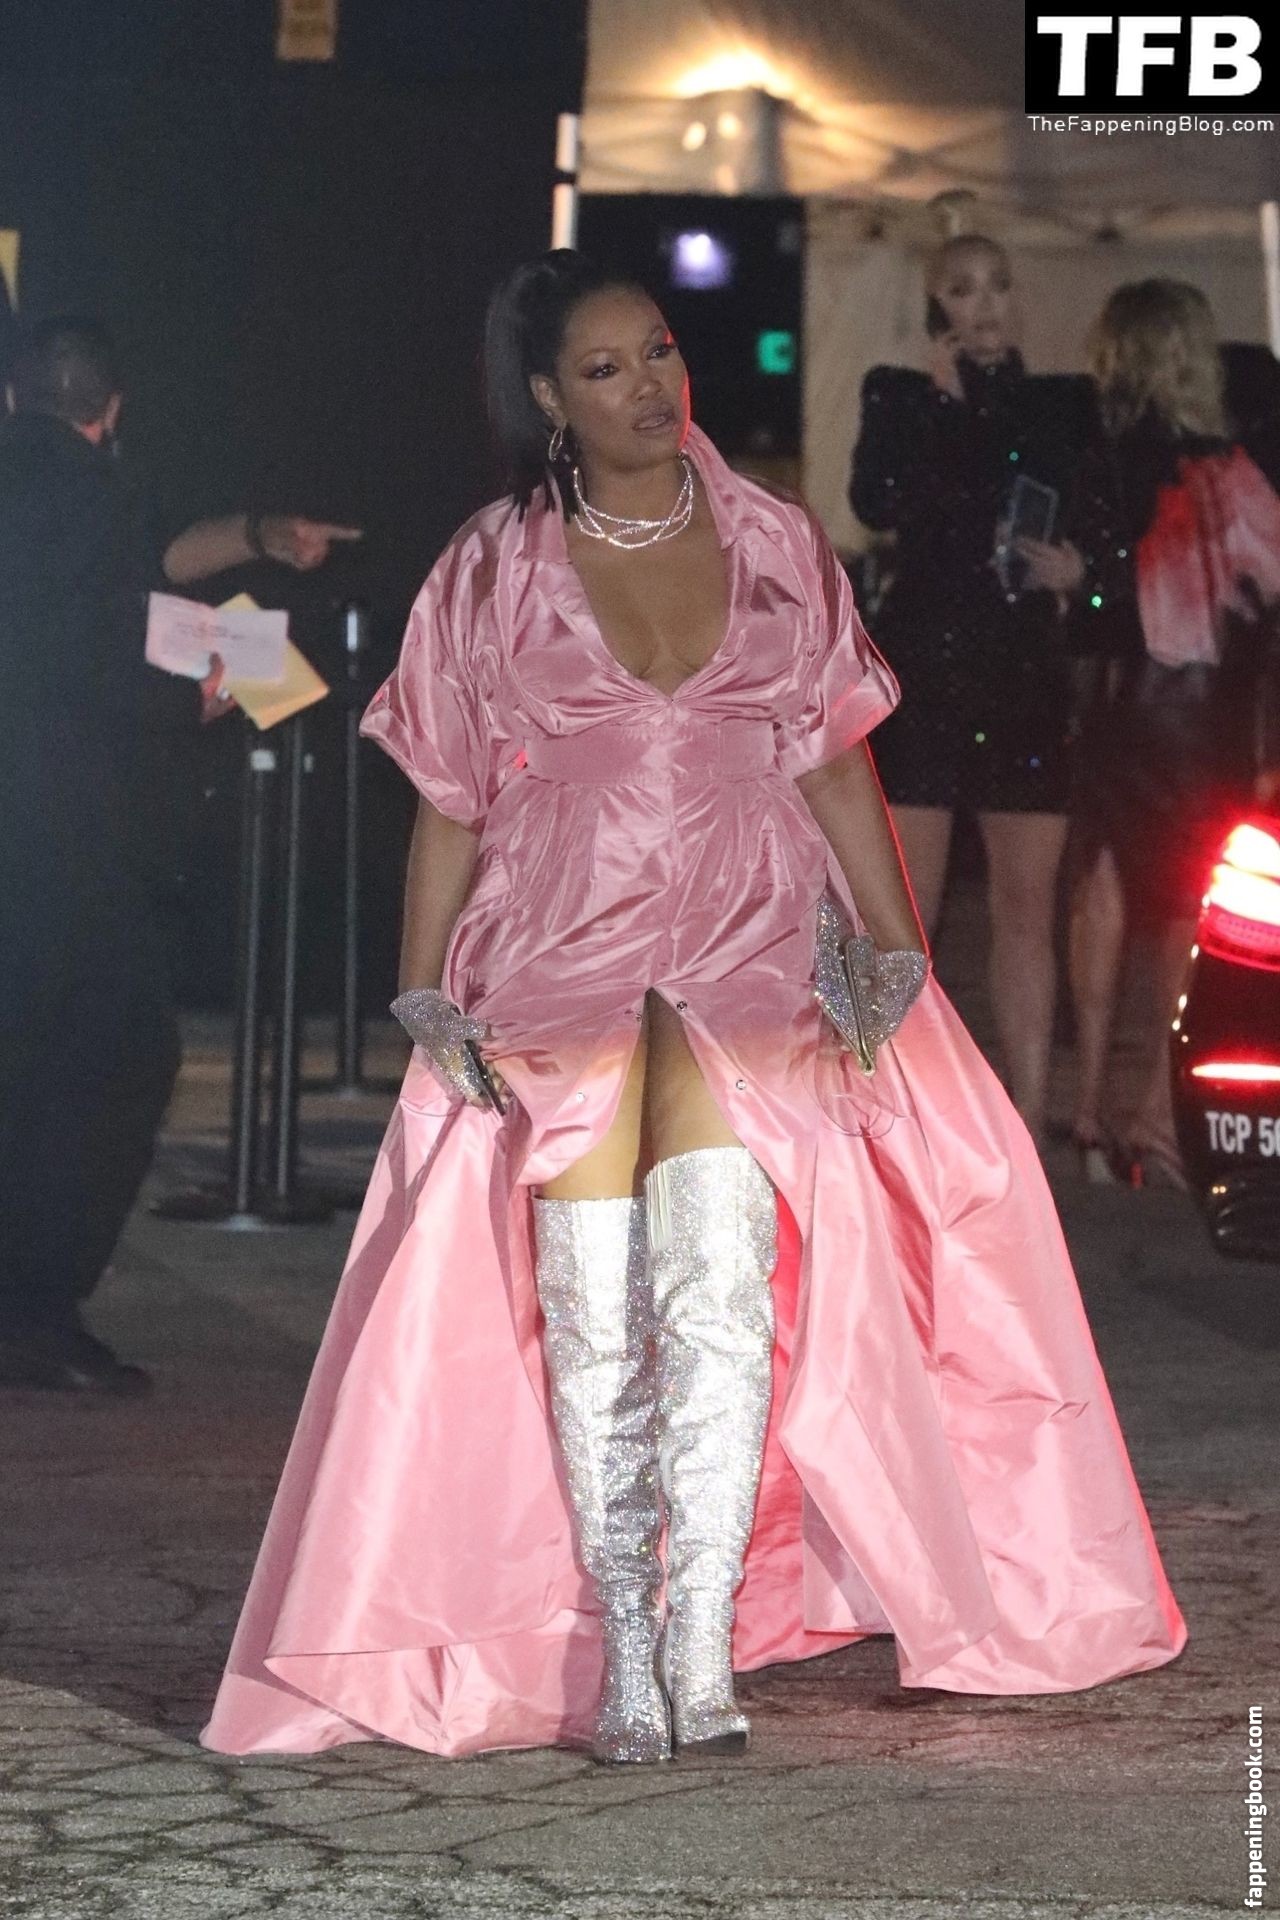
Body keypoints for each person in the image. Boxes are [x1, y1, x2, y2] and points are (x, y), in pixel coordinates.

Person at [202, 250, 1185, 1768]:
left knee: (720, 1293)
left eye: (658, 352)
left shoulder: (774, 539)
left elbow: (833, 759)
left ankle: (698, 1647)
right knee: (592, 1314)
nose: (649, 387)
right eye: (606, 369)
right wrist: (424, 981)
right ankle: (624, 1648)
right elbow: (450, 801)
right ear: (549, 397)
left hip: (749, 932)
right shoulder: (491, 563)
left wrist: (894, 946)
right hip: (559, 937)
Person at [0, 316, 361, 1395]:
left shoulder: (57, 490)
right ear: (111, 411)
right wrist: (190, 699)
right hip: (62, 831)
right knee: (116, 1057)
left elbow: (149, 566)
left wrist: (256, 534)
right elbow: (80, 650)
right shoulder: (88, 498)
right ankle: (33, 1308)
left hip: (38, 827)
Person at [849, 234, 1096, 1148]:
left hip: (1021, 673)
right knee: (905, 914)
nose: (984, 304)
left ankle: (1027, 1119)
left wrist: (1083, 572)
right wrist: (943, 406)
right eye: (962, 289)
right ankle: (905, 1116)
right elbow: (877, 502)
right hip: (926, 671)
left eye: (997, 285)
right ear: (936, 307)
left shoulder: (1061, 401)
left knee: (1026, 911)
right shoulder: (901, 394)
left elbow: (1098, 520)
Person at [1065, 282, 1280, 1185]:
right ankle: (1155, 1117)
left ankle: (1087, 1115)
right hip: (1209, 712)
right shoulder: (1240, 470)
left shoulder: (1103, 460)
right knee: (1188, 909)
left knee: (1105, 891)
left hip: (1123, 701)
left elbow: (1091, 601)